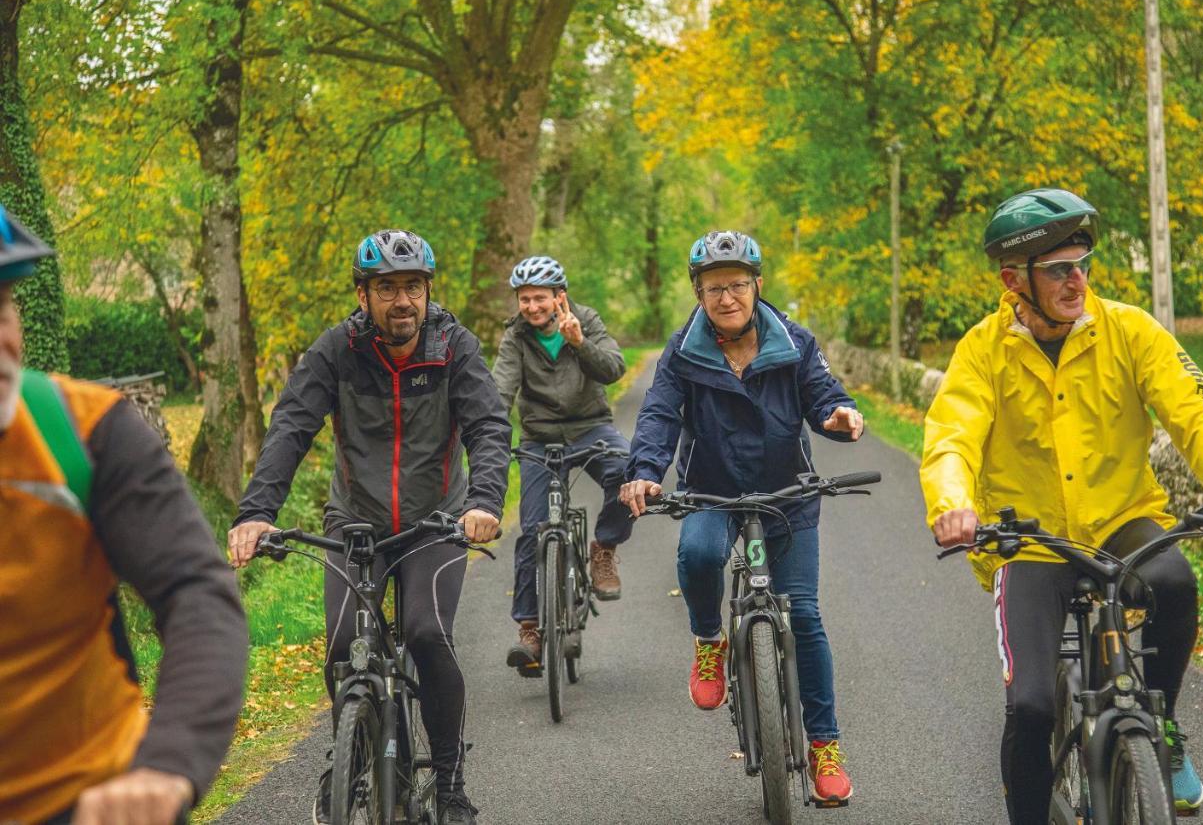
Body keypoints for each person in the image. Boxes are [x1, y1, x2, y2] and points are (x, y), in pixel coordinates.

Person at [919, 187, 1203, 823]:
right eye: (1058, 268)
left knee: (1175, 582)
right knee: (1029, 706)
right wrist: (954, 505)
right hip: (1028, 540)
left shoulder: (1131, 330)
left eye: (1082, 263)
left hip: (1120, 520)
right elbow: (952, 437)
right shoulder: (982, 350)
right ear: (1014, 279)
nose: (1076, 279)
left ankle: (1161, 729)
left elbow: (1197, 412)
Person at [225, 230, 511, 825]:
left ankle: (452, 782)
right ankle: (356, 751)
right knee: (339, 646)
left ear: (429, 292)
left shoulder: (455, 347)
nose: (401, 300)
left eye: (412, 287)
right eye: (387, 288)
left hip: (437, 521)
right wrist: (257, 512)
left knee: (427, 634)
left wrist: (483, 502)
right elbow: (291, 429)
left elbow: (488, 427)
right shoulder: (336, 351)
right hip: (356, 522)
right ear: (363, 296)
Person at [0, 206, 248, 825]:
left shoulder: (84, 432)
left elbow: (195, 592)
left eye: (2, 306)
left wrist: (167, 765)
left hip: (85, 797)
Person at [619, 230, 866, 804]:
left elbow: (824, 393)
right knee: (699, 553)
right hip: (713, 490)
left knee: (803, 615)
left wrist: (839, 415)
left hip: (787, 493)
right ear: (698, 294)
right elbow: (658, 414)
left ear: (757, 284)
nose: (726, 297)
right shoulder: (683, 352)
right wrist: (646, 469)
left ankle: (824, 746)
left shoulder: (794, 341)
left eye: (736, 285)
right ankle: (710, 639)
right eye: (713, 288)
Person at [491, 255, 632, 674]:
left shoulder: (585, 320)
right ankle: (530, 629)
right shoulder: (515, 336)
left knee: (627, 471)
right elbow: (500, 390)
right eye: (524, 299)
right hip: (540, 438)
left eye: (539, 298)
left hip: (591, 428)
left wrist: (579, 343)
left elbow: (614, 369)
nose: (531, 307)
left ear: (559, 297)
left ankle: (603, 548)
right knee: (531, 530)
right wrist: (489, 435)